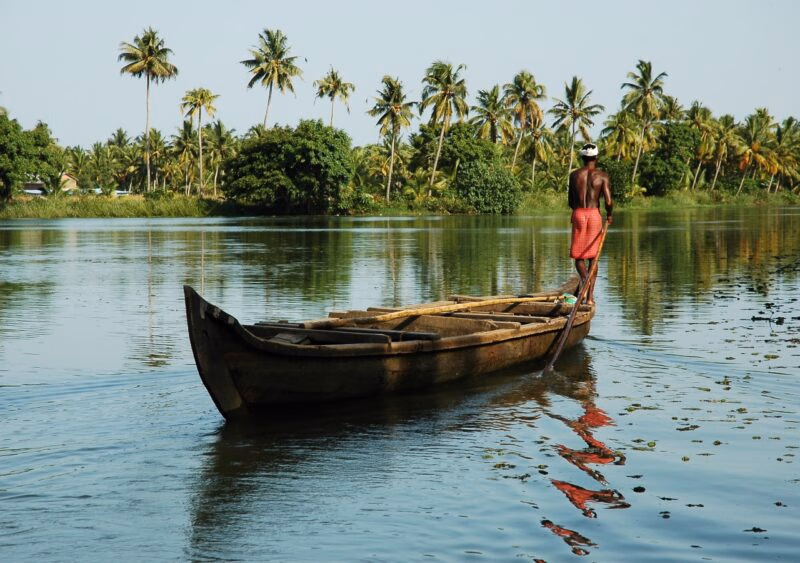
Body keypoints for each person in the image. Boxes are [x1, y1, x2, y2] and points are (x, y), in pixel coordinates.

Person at [568, 143, 613, 305]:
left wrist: (577, 211)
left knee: (578, 257)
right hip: (594, 215)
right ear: (596, 157)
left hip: (579, 213)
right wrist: (609, 214)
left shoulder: (574, 175)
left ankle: (585, 282)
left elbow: (570, 201)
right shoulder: (602, 176)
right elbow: (608, 201)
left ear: (582, 158)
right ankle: (590, 298)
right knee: (593, 257)